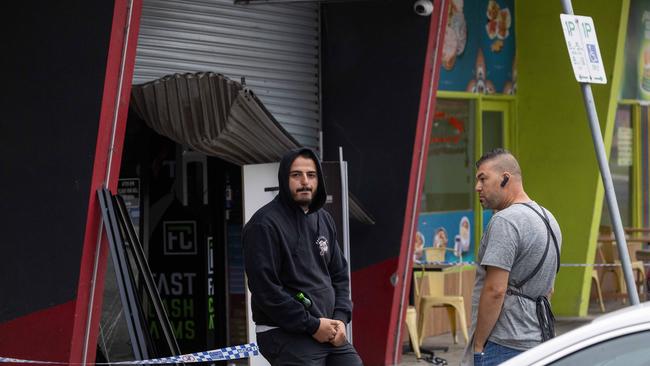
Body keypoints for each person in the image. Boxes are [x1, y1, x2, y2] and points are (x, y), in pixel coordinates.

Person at [242, 148, 363, 366]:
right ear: (284, 178)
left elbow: (339, 275)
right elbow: (265, 290)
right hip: (283, 331)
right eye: (296, 175)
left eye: (311, 175)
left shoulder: (323, 219)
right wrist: (312, 325)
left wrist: (341, 319)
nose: (304, 182)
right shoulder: (264, 224)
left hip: (328, 330)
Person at [462, 148, 562, 366]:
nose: (477, 187)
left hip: (503, 343)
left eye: (483, 179)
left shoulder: (505, 221)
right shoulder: (548, 218)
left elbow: (495, 290)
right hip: (538, 339)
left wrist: (478, 346)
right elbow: (549, 289)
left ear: (505, 178)